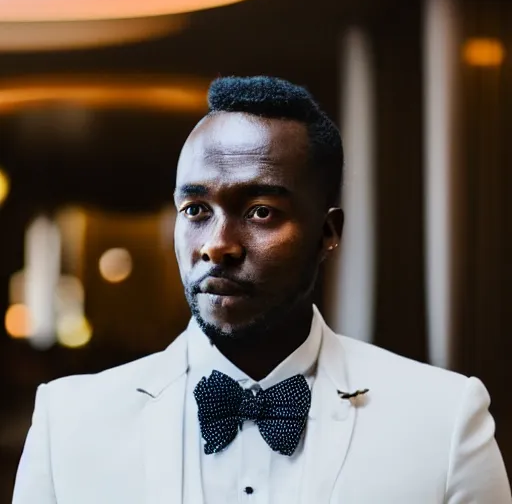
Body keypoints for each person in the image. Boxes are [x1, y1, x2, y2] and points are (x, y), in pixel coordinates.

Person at [12, 76, 511, 504]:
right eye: (196, 211)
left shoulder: (443, 420)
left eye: (260, 212)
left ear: (328, 233)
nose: (217, 246)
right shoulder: (69, 422)